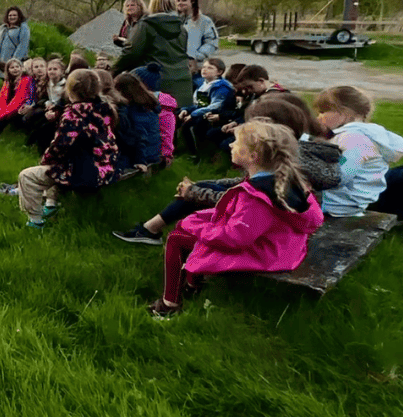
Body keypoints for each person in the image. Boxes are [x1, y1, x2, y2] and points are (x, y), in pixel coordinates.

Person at [147, 120, 324, 316]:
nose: (230, 145)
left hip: (266, 253)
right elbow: (238, 218)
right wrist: (197, 219)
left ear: (252, 156)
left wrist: (194, 226)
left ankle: (169, 305)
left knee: (176, 239)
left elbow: (234, 238)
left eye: (236, 142)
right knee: (187, 230)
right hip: (280, 243)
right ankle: (192, 284)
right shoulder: (281, 179)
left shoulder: (257, 197)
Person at [114, 93, 340, 245]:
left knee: (197, 193)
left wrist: (194, 193)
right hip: (271, 215)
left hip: (277, 228)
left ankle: (153, 232)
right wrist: (200, 188)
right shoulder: (286, 149)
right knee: (201, 187)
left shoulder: (290, 161)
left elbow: (249, 200)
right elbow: (247, 186)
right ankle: (151, 229)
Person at [17, 69, 118, 228]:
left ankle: (35, 221)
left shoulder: (73, 114)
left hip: (85, 171)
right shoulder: (105, 109)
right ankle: (51, 204)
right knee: (56, 168)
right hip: (106, 166)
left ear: (71, 90)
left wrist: (45, 161)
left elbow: (60, 145)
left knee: (27, 177)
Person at [314, 85, 403, 218]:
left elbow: (339, 176)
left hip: (340, 206)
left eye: (323, 112)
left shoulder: (353, 140)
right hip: (353, 200)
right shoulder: (367, 134)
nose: (319, 117)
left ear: (343, 113)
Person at [112, 0, 192, 114]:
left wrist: (112, 73)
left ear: (153, 4)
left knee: (154, 126)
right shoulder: (182, 28)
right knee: (173, 126)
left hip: (155, 81)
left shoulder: (145, 25)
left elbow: (132, 53)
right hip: (182, 82)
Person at [177, 56, 237, 161]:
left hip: (221, 115)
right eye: (204, 67)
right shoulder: (204, 84)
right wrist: (186, 109)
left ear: (219, 72)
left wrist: (193, 114)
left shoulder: (222, 87)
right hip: (205, 112)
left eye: (210, 68)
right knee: (182, 120)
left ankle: (202, 155)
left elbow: (215, 106)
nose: (204, 69)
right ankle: (191, 152)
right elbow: (200, 103)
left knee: (195, 125)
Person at [113, 72, 162, 171]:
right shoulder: (148, 104)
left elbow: (140, 135)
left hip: (146, 155)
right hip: (154, 151)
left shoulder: (135, 110)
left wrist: (140, 160)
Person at [177, 0, 220, 70]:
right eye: (178, 0)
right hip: (177, 67)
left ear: (192, 1)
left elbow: (212, 42)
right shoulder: (175, 21)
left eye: (184, 0)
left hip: (197, 67)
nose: (180, 3)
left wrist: (196, 56)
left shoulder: (204, 21)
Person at [0, 6, 30, 77]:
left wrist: (14, 62)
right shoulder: (3, 28)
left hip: (14, 62)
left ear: (19, 16)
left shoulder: (23, 28)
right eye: (10, 15)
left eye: (14, 15)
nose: (12, 17)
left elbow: (23, 45)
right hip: (1, 61)